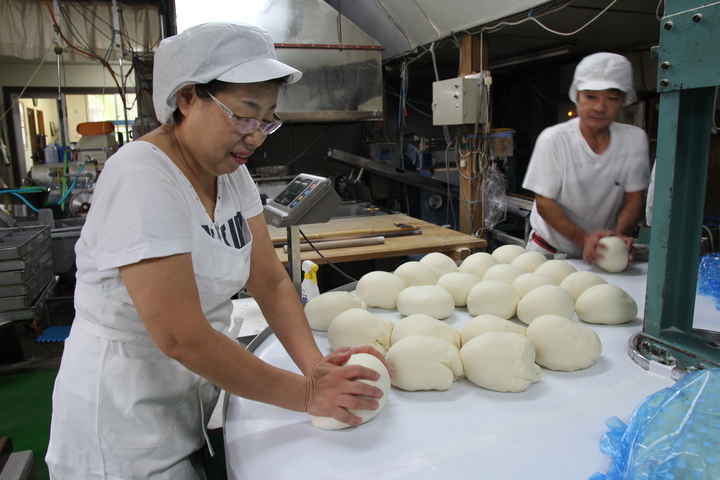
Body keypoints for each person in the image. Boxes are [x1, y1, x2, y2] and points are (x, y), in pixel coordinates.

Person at [46, 22, 387, 479]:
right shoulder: (142, 175)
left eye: (268, 118)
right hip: (122, 423)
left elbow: (267, 279)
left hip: (190, 396)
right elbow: (179, 335)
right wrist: (307, 395)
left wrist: (316, 366)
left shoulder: (231, 173)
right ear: (187, 98)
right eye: (244, 114)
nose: (257, 135)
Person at [522, 52, 651, 265]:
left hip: (600, 254)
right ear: (577, 97)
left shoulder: (634, 140)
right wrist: (584, 240)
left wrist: (616, 240)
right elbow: (544, 202)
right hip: (547, 252)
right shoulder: (554, 139)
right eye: (591, 96)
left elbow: (634, 199)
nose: (600, 107)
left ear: (623, 101)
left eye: (611, 98)